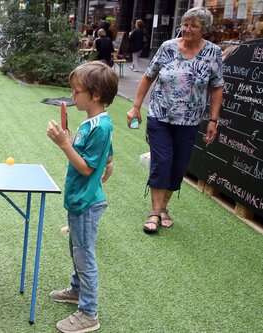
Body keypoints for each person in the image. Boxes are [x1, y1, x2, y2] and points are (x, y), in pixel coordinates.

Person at [127, 7, 224, 234]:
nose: (187, 29)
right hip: (160, 116)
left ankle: (163, 208)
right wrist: (136, 107)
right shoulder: (167, 47)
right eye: (185, 23)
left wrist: (213, 120)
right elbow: (149, 75)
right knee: (162, 162)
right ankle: (153, 211)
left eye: (193, 25)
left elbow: (217, 87)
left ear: (204, 29)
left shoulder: (213, 53)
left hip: (190, 121)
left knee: (178, 166)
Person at [46, 60, 116, 333]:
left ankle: (89, 314)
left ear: (95, 95)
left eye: (76, 91)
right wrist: (73, 140)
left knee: (84, 257)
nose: (72, 95)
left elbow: (87, 168)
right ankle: (77, 291)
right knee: (76, 251)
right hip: (80, 199)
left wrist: (63, 144)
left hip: (87, 203)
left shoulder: (101, 126)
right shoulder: (92, 122)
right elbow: (106, 158)